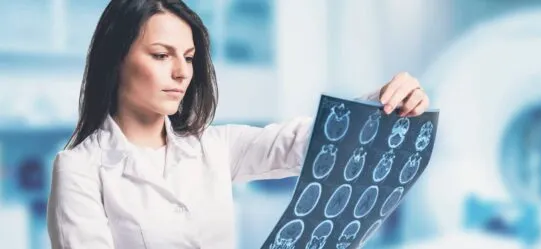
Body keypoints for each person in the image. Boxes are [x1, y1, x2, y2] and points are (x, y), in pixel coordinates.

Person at [46, 0, 431, 248]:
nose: (182, 72)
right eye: (162, 55)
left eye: (190, 57)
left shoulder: (213, 147)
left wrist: (384, 102)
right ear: (116, 60)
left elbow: (307, 141)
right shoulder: (80, 170)